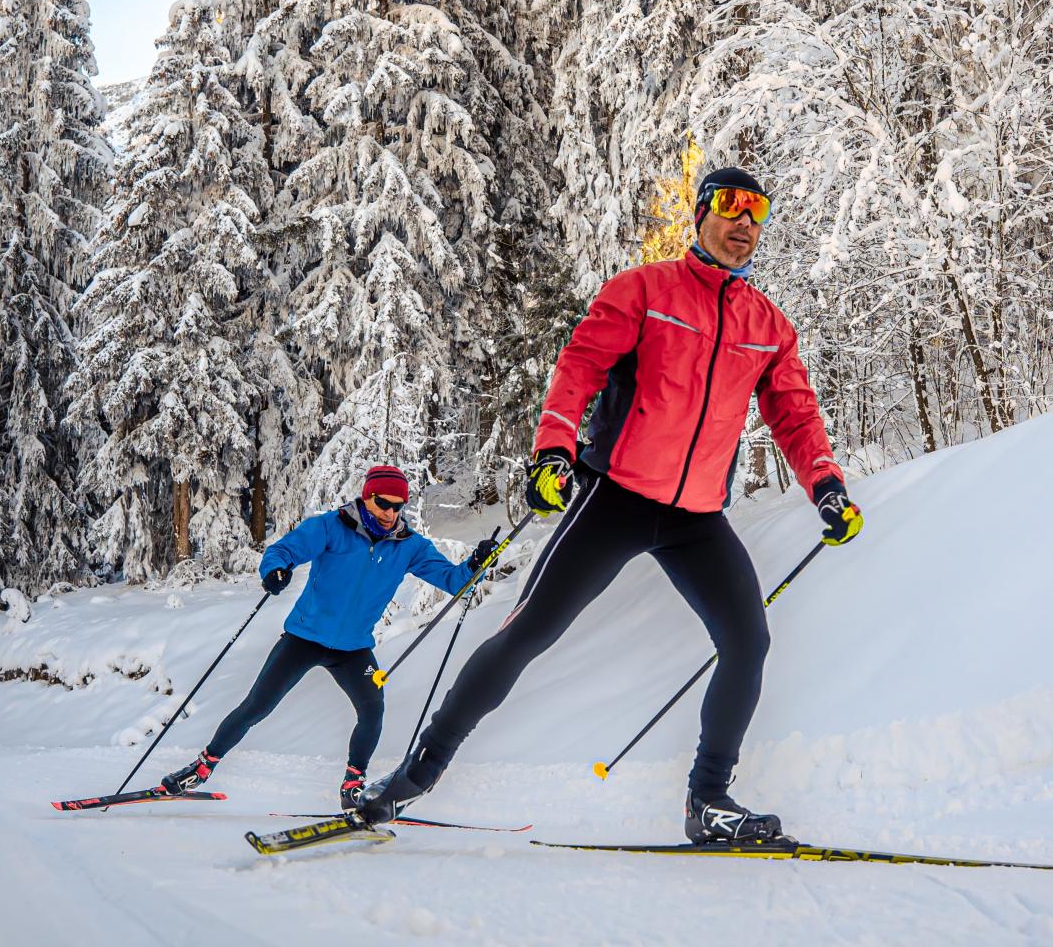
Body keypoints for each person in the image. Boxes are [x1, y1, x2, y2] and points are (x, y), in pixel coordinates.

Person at [360, 167, 864, 843]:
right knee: (527, 634)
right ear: (701, 214)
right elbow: (579, 369)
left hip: (696, 517)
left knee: (748, 642)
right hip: (615, 496)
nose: (744, 224)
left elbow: (795, 416)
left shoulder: (767, 325)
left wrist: (826, 485)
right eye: (730, 208)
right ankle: (413, 777)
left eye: (757, 213)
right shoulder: (644, 292)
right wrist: (553, 451)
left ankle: (707, 802)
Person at [155, 465, 498, 810]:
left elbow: (454, 581)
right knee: (256, 707)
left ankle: (353, 784)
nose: (391, 513)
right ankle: (200, 767)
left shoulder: (409, 546)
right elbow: (284, 550)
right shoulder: (332, 527)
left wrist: (475, 565)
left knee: (372, 709)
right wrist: (275, 570)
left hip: (353, 648)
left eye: (398, 506)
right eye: (383, 503)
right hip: (304, 639)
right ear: (367, 497)